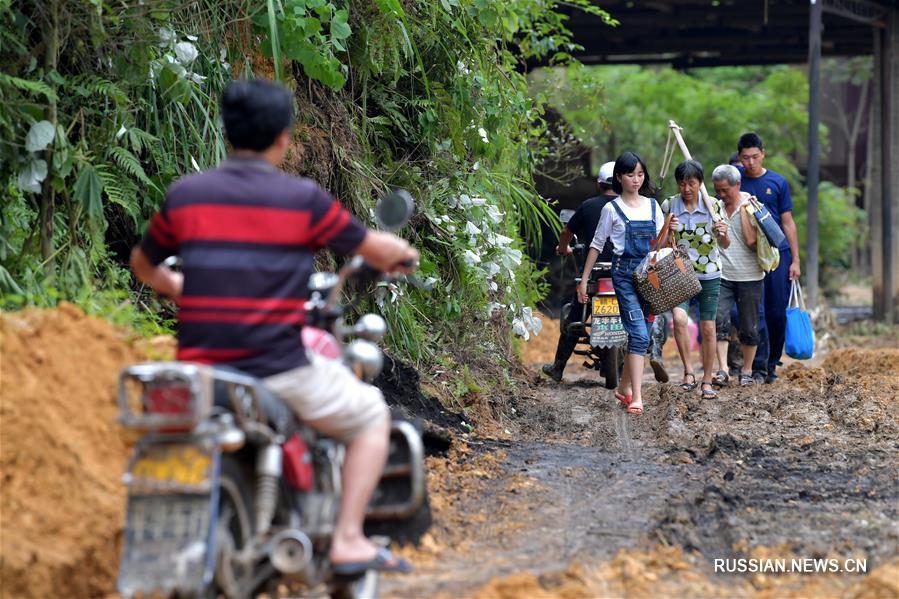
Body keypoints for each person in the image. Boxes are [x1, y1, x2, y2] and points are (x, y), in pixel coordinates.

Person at [129, 79, 417, 574]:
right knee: (371, 414)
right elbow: (370, 247)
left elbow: (143, 265)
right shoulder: (301, 199)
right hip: (277, 370)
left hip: (202, 373)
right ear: (283, 137)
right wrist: (402, 253)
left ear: (226, 133)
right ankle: (347, 539)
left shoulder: (187, 195)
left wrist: (178, 286)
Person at [577, 151, 675, 415]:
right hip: (623, 276)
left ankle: (623, 388)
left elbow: (658, 247)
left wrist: (669, 230)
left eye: (640, 174)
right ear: (619, 177)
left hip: (650, 276)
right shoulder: (611, 209)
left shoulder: (654, 206)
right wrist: (584, 280)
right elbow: (597, 245)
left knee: (641, 335)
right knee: (640, 335)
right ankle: (637, 397)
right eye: (630, 175)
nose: (636, 179)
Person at [542, 161, 616, 382]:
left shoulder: (589, 205)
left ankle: (558, 367)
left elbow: (567, 230)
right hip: (623, 273)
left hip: (594, 275)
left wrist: (563, 247)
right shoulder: (629, 205)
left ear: (599, 183)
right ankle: (653, 353)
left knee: (575, 315)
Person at [736, 133, 801, 384]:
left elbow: (788, 222)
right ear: (739, 158)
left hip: (778, 255)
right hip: (748, 257)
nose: (750, 162)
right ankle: (758, 366)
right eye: (745, 158)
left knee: (776, 312)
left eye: (754, 156)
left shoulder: (777, 182)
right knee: (755, 313)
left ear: (763, 153)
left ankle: (772, 362)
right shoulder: (735, 183)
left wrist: (795, 260)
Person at [663, 160, 730, 399]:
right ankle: (689, 372)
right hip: (680, 273)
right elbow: (659, 246)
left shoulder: (713, 206)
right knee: (679, 320)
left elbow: (725, 244)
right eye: (682, 183)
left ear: (700, 183)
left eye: (692, 183)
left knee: (708, 327)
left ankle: (707, 379)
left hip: (709, 273)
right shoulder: (669, 205)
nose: (687, 188)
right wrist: (668, 230)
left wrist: (722, 233)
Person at [711, 164, 764, 387]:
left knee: (749, 326)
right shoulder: (714, 207)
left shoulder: (754, 206)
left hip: (750, 275)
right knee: (719, 320)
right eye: (718, 190)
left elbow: (753, 243)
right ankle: (723, 368)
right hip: (722, 274)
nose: (722, 195)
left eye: (726, 190)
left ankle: (748, 370)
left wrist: (743, 209)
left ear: (738, 185)